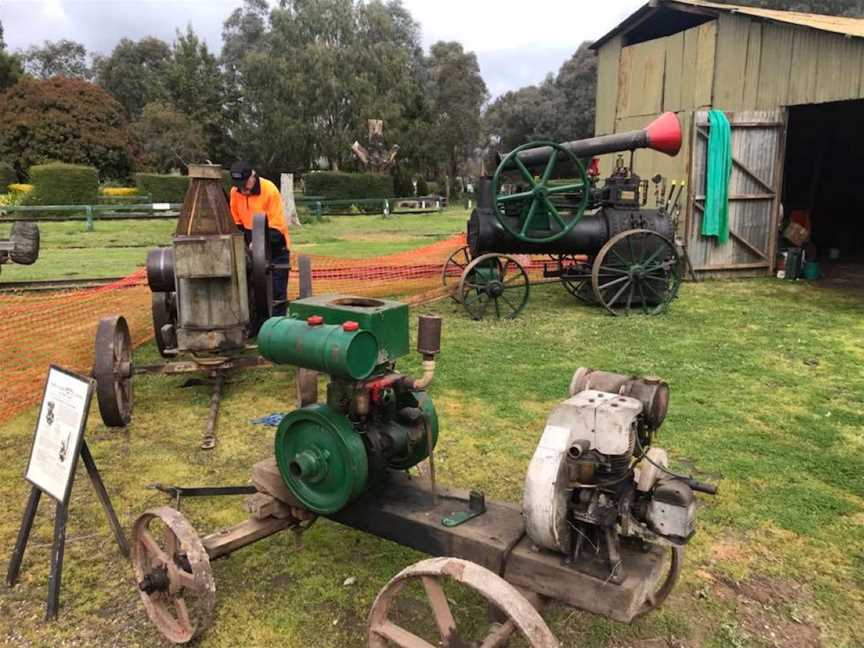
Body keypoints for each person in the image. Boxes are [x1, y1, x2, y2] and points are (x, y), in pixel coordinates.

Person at [228, 161, 290, 318]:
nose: (243, 189)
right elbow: (236, 224)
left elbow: (276, 227)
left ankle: (277, 325)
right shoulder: (235, 193)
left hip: (275, 245)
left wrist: (258, 242)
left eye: (245, 185)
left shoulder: (269, 190)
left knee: (276, 292)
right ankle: (257, 325)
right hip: (250, 249)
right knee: (253, 291)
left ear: (252, 177)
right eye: (239, 185)